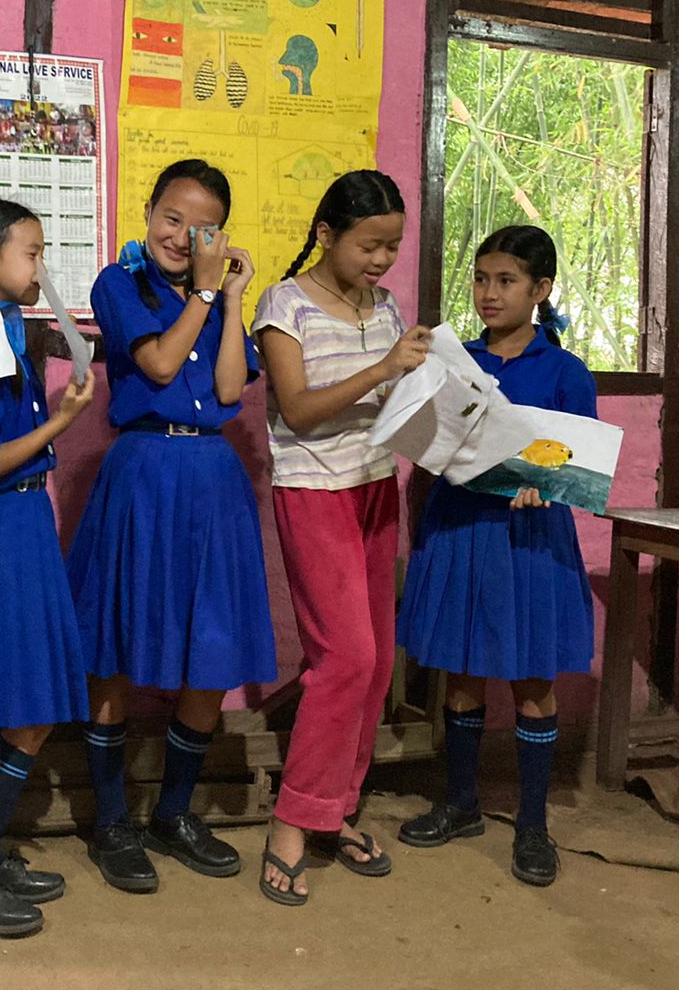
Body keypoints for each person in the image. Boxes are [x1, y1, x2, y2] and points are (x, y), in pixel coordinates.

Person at [67, 158, 277, 893]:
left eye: (205, 226)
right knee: (117, 650)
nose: (186, 236)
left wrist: (234, 298)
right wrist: (209, 290)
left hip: (213, 482)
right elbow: (156, 365)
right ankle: (113, 820)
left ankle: (176, 811)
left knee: (208, 647)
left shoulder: (217, 296)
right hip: (144, 476)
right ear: (149, 212)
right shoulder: (118, 284)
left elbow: (227, 386)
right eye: (173, 218)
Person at [396, 224, 596, 888]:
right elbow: (428, 435)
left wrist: (548, 480)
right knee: (461, 674)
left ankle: (534, 825)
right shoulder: (455, 361)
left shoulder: (566, 372)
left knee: (533, 683)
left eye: (506, 281)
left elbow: (578, 465)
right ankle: (460, 805)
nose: (489, 293)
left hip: (529, 542)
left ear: (540, 290)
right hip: (459, 528)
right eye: (481, 278)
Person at [251, 171, 431, 905]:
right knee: (345, 659)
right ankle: (292, 823)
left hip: (374, 487)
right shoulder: (283, 305)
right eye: (369, 244)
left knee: (378, 662)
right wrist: (385, 368)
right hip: (314, 491)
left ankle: (337, 809)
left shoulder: (384, 308)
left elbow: (391, 404)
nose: (382, 260)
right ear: (326, 234)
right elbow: (297, 410)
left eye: (391, 246)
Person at [0, 197, 96, 936]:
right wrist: (65, 419)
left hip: (21, 520)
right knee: (28, 712)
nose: (41, 267)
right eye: (29, 252)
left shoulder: (5, 327)